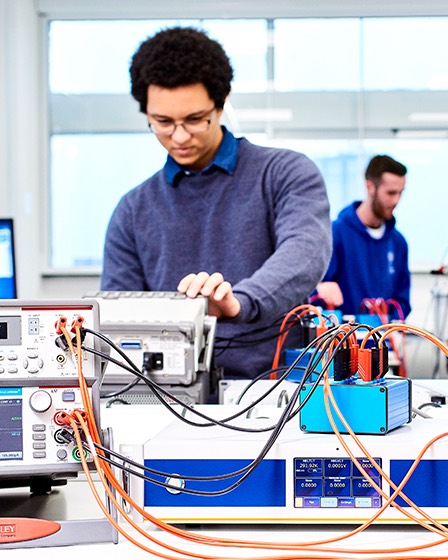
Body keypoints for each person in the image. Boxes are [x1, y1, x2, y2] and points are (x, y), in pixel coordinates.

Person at [100, 27, 331, 380]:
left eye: (194, 119)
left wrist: (240, 302)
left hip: (275, 391)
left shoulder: (284, 173)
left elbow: (306, 250)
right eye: (162, 122)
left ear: (221, 106)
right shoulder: (132, 211)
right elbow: (118, 318)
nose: (178, 136)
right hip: (168, 396)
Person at [315, 155, 411, 321]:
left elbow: (402, 300)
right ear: (370, 187)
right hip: (344, 340)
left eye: (400, 193)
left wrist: (390, 322)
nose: (396, 201)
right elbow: (317, 291)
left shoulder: (398, 242)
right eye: (390, 193)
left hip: (384, 340)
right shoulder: (336, 233)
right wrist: (321, 288)